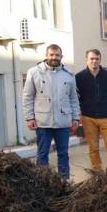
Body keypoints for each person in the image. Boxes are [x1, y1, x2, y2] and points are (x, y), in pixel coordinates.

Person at [23, 44, 80, 180]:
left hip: (63, 122)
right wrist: (29, 117)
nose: (54, 57)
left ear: (61, 57)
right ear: (46, 55)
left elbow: (73, 98)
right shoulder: (34, 72)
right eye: (51, 55)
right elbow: (27, 96)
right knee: (42, 154)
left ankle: (64, 182)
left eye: (57, 55)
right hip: (43, 122)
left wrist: (76, 118)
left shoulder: (69, 74)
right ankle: (43, 183)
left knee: (63, 154)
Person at [75, 49, 107, 171]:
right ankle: (97, 173)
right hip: (88, 117)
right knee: (93, 148)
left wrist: (106, 106)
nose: (94, 61)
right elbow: (76, 96)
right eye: (91, 58)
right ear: (87, 59)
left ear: (100, 60)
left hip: (106, 117)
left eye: (97, 59)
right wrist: (83, 108)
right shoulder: (79, 77)